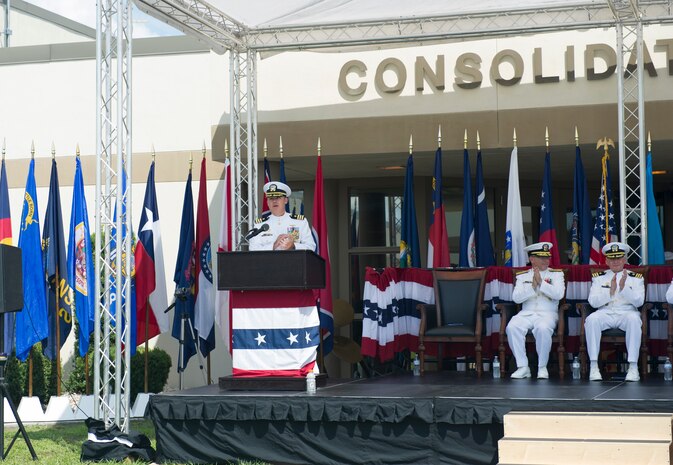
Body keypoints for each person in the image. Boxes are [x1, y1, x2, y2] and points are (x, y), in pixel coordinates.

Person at [586, 242, 644, 382]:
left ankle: (633, 367)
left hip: (626, 312)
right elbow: (593, 302)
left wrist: (624, 288)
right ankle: (594, 366)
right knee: (592, 319)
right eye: (612, 259)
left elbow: (639, 302)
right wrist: (610, 293)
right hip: (605, 312)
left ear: (624, 259)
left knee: (634, 320)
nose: (615, 261)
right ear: (606, 261)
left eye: (618, 258)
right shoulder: (598, 277)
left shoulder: (636, 278)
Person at [506, 242, 565, 379]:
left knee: (543, 328)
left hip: (547, 314)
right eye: (541, 257)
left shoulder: (557, 275)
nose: (546, 260)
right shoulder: (522, 276)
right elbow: (516, 298)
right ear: (532, 259)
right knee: (512, 327)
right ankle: (523, 366)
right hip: (526, 313)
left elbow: (558, 294)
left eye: (547, 257)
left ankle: (542, 367)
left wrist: (541, 284)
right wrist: (532, 287)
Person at [248, 181, 316, 251]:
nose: (274, 201)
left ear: (286, 200)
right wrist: (273, 246)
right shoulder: (260, 225)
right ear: (267, 202)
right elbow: (253, 249)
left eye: (278, 197)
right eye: (271, 198)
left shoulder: (300, 222)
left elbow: (311, 247)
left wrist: (293, 246)